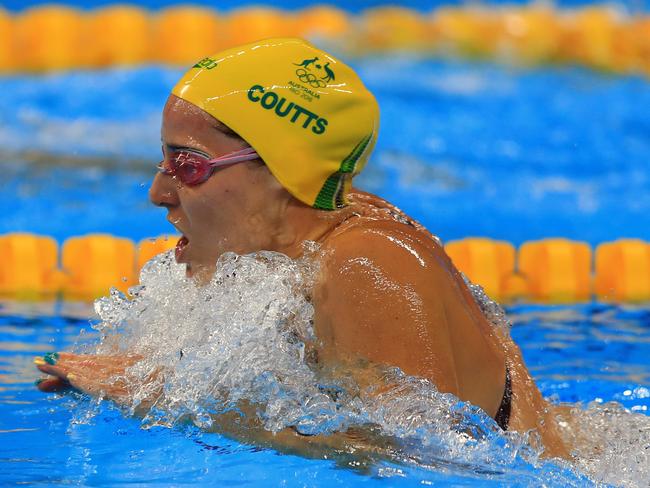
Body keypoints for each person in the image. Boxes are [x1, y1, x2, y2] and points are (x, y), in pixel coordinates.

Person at [34, 38, 571, 459]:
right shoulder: (307, 247)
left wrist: (168, 401)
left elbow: (429, 459)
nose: (159, 193)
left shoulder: (365, 262)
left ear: (284, 173)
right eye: (163, 160)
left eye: (188, 165)